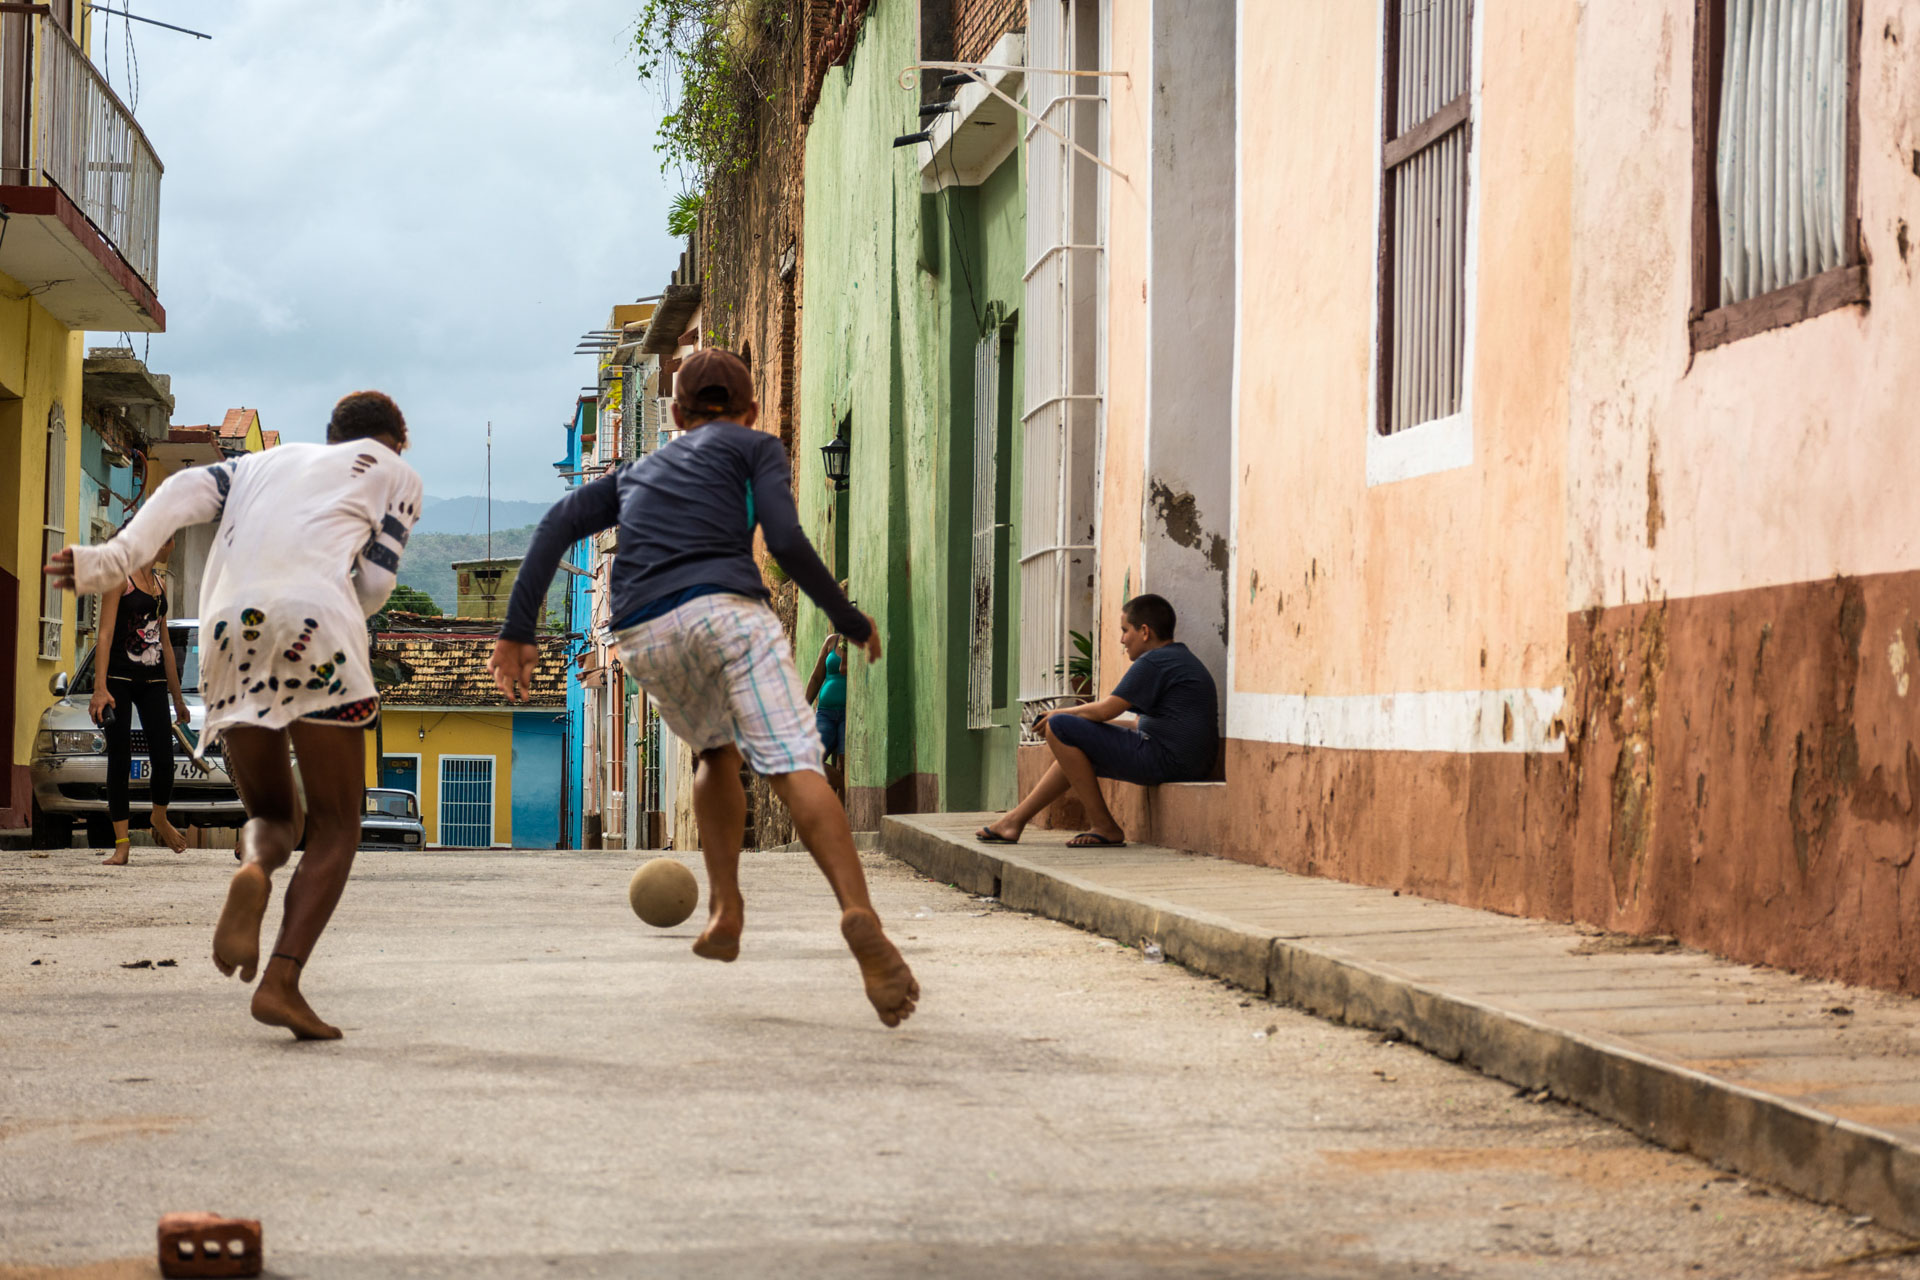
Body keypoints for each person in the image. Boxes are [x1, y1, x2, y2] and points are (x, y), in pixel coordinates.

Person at [489, 348, 918, 1028]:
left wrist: (517, 630)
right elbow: (783, 539)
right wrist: (844, 615)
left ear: (679, 416)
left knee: (715, 753)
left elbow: (556, 525)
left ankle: (726, 909)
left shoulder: (637, 471)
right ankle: (858, 913)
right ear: (750, 410)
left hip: (643, 629)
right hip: (729, 612)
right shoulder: (755, 448)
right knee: (793, 761)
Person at [46, 391, 423, 1041]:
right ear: (398, 441)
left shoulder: (262, 466)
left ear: (332, 438)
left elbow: (184, 489)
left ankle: (253, 871)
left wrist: (109, 561)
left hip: (227, 631)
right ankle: (281, 981)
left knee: (274, 817)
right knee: (336, 826)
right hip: (319, 625)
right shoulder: (396, 476)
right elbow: (375, 587)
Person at [976, 593, 1218, 849]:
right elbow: (1137, 725)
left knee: (1060, 727)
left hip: (1169, 760)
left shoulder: (1155, 662)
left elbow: (1105, 711)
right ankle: (1015, 820)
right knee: (1074, 746)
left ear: (1144, 631)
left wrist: (1060, 714)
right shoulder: (1177, 658)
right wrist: (1087, 732)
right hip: (1183, 761)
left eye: (1125, 630)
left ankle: (1105, 826)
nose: (1122, 639)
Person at [91, 535, 191, 863]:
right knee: (119, 759)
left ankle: (158, 816)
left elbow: (164, 645)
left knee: (163, 757)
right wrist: (99, 687)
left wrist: (177, 698)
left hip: (153, 682)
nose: (171, 541)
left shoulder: (159, 586)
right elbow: (104, 635)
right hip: (119, 678)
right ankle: (122, 843)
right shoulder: (120, 577)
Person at [804, 586, 850, 797]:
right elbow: (816, 678)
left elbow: (845, 670)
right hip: (825, 712)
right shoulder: (831, 641)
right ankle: (843, 786)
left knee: (844, 763)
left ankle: (842, 818)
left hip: (847, 714)